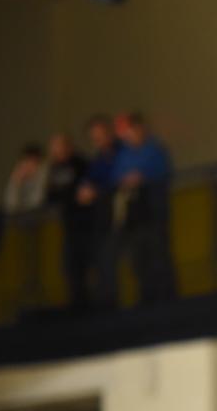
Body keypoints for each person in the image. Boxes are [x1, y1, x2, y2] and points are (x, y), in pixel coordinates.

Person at [98, 112, 176, 307]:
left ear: (140, 128)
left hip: (154, 210)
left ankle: (167, 297)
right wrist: (126, 181)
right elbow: (116, 177)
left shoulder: (154, 149)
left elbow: (163, 172)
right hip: (133, 215)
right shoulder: (123, 155)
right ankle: (146, 298)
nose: (127, 135)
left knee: (159, 255)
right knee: (138, 258)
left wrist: (142, 177)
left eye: (129, 130)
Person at [43, 134, 93, 310]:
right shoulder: (53, 170)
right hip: (68, 226)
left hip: (87, 224)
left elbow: (84, 192)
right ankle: (77, 304)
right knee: (70, 267)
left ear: (68, 146)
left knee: (90, 265)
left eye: (60, 146)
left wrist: (70, 196)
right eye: (54, 148)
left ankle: (94, 304)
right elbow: (50, 197)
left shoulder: (81, 164)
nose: (58, 151)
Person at [3, 144, 46, 216]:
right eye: (26, 161)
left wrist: (38, 176)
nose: (28, 166)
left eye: (32, 162)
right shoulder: (18, 175)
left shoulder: (44, 175)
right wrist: (17, 183)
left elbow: (38, 202)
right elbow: (10, 205)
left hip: (39, 217)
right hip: (20, 217)